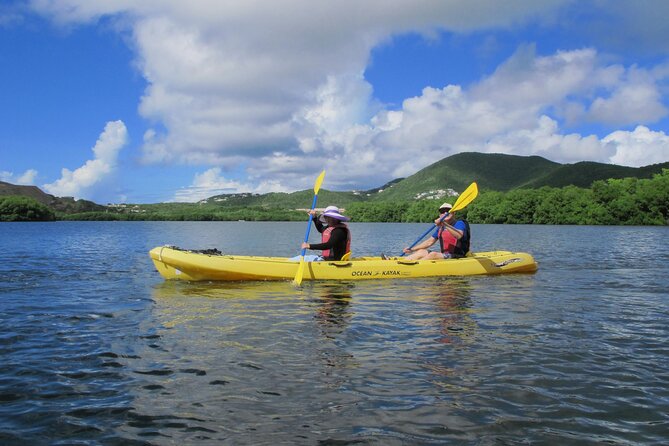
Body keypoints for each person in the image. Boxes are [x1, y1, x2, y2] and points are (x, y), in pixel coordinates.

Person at [400, 202, 470, 260]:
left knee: (433, 255)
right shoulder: (441, 227)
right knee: (421, 251)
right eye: (442, 211)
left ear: (454, 213)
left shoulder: (459, 223)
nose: (445, 213)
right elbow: (429, 242)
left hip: (458, 256)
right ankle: (401, 264)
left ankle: (413, 268)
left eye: (448, 211)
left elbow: (459, 235)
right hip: (444, 255)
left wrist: (445, 224)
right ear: (440, 215)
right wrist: (412, 249)